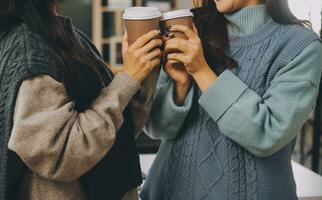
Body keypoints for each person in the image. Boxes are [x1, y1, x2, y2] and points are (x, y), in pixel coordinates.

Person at [141, 0, 322, 199]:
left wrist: (201, 71)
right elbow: (157, 129)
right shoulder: (191, 28)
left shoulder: (299, 45)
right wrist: (181, 85)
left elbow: (268, 134)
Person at [0, 0, 162, 199]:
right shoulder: (30, 52)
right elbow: (61, 154)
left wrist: (145, 72)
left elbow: (116, 129)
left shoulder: (67, 37)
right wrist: (128, 80)